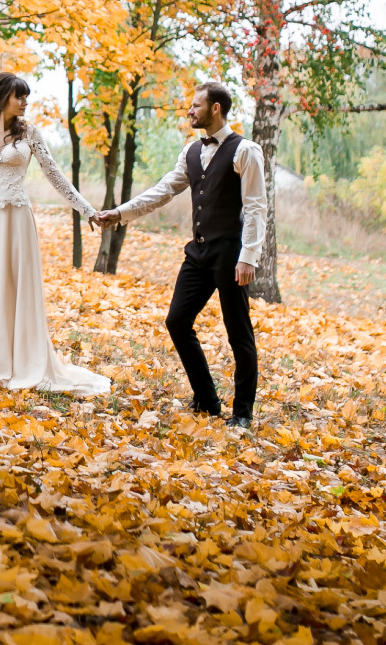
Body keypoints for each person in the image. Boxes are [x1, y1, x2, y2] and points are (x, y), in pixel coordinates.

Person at [92, 81, 266, 427]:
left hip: (231, 253)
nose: (190, 111)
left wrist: (249, 256)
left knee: (238, 333)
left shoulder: (246, 151)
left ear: (216, 108)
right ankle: (207, 400)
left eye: (196, 105)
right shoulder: (191, 152)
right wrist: (120, 213)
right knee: (176, 321)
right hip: (199, 252)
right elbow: (163, 191)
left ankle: (242, 414)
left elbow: (257, 207)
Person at [0, 71, 111, 396]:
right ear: (1, 97)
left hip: (18, 220)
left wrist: (86, 210)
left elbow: (54, 174)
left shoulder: (30, 133)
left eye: (26, 97)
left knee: (17, 286)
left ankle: (22, 357)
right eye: (19, 96)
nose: (25, 102)